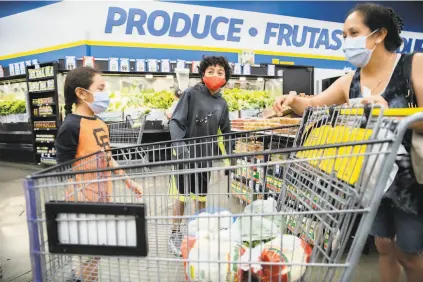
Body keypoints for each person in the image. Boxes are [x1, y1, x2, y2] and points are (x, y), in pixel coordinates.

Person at [274, 3, 423, 282]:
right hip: (371, 177)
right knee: (383, 246)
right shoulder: (349, 81)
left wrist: (389, 113)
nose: (346, 41)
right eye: (343, 36)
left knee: (410, 255)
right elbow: (313, 104)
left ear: (379, 35)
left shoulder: (413, 65)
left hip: (410, 181)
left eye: (353, 32)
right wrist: (294, 100)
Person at [55, 66, 142, 281]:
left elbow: (107, 157)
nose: (105, 94)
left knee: (94, 254)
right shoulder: (70, 126)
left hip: (103, 199)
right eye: (100, 88)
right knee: (89, 256)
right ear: (81, 93)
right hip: (82, 204)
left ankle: (77, 276)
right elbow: (62, 169)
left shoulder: (101, 123)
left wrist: (128, 181)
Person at [168, 56, 232, 256]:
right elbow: (176, 122)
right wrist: (179, 146)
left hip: (205, 158)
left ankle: (199, 232)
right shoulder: (190, 94)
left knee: (201, 197)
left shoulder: (222, 103)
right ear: (203, 74)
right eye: (210, 71)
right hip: (185, 156)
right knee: (182, 196)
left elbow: (225, 133)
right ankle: (175, 234)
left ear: (226, 78)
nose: (215, 75)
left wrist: (230, 160)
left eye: (220, 72)